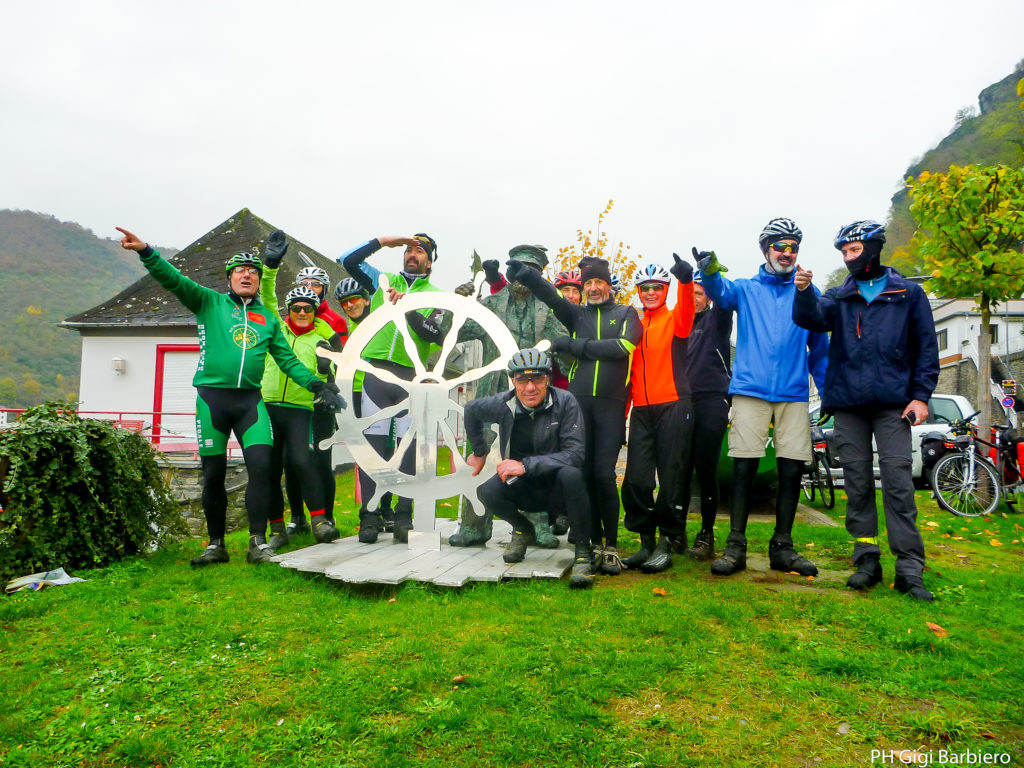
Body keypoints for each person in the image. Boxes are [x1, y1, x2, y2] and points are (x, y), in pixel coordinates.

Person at [116, 227, 343, 566]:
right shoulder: (209, 302)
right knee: (213, 473)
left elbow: (287, 360)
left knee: (262, 468)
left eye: (253, 271)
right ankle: (216, 545)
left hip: (250, 402)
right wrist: (146, 252)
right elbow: (174, 279)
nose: (247, 275)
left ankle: (258, 543)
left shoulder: (268, 319)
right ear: (229, 278)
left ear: (258, 280)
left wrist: (317, 385)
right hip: (213, 400)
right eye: (240, 271)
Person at [793, 220, 939, 600]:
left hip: (894, 406)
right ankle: (867, 559)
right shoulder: (839, 296)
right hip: (848, 406)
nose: (848, 257)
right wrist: (804, 292)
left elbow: (926, 348)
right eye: (844, 252)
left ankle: (909, 568)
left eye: (854, 250)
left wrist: (921, 396)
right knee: (857, 483)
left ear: (873, 249)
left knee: (898, 484)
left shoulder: (909, 293)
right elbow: (810, 318)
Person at [697, 217, 828, 577]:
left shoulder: (807, 291)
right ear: (765, 250)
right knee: (744, 465)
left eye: (793, 248)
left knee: (792, 467)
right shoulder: (745, 288)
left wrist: (826, 389)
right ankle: (736, 546)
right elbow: (720, 292)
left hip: (793, 391)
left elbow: (820, 346)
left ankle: (782, 547)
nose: (787, 253)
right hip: (750, 389)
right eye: (780, 246)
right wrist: (708, 271)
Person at [506, 255, 642, 575]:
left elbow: (623, 347)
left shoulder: (626, 313)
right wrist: (528, 275)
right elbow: (551, 296)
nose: (593, 288)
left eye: (599, 282)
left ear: (609, 285)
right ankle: (590, 541)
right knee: (581, 474)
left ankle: (611, 546)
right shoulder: (576, 314)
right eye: (588, 283)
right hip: (578, 406)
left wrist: (573, 345)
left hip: (610, 406)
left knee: (604, 475)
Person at [450, 245, 569, 548]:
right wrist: (458, 305)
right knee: (480, 458)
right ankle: (474, 525)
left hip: (532, 399)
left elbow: (567, 352)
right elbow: (451, 333)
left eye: (529, 269)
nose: (520, 276)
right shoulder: (489, 305)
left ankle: (536, 525)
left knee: (532, 459)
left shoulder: (548, 311)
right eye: (515, 268)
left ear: (538, 275)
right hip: (493, 394)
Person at [340, 233, 447, 543]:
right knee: (372, 450)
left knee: (408, 450)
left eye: (420, 250)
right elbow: (348, 261)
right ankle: (369, 517)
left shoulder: (437, 295)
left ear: (430, 261)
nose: (412, 254)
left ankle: (403, 517)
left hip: (410, 376)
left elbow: (435, 334)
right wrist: (384, 241)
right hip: (375, 373)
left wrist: (408, 308)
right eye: (408, 249)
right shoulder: (383, 281)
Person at [463, 349, 595, 589]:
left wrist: (525, 465)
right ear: (513, 381)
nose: (530, 387)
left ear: (548, 379)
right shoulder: (503, 404)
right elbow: (471, 409)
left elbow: (575, 454)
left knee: (573, 475)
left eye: (538, 379)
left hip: (558, 489)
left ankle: (584, 552)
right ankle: (523, 530)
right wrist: (479, 451)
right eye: (523, 380)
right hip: (524, 488)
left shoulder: (565, 402)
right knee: (488, 490)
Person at [261, 233, 344, 536]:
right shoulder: (276, 327)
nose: (301, 312)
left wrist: (328, 372)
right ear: (288, 309)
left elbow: (340, 364)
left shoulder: (325, 331)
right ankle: (283, 525)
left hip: (303, 407)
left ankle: (322, 519)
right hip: (269, 404)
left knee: (307, 462)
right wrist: (270, 266)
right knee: (273, 468)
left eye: (307, 308)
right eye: (296, 308)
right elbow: (267, 296)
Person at [620, 258, 695, 573]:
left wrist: (686, 281)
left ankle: (667, 541)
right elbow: (627, 373)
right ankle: (646, 543)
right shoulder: (635, 325)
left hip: (673, 405)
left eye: (657, 287)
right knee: (636, 478)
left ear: (666, 290)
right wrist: (623, 413)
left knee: (671, 476)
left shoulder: (675, 318)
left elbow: (688, 309)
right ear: (639, 291)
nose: (651, 292)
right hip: (642, 409)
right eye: (645, 288)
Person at [674, 268, 733, 561]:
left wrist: (711, 277)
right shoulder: (677, 324)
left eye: (700, 293)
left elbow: (724, 304)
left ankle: (706, 534)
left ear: (708, 297)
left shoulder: (716, 320)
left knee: (705, 469)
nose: (695, 298)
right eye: (691, 293)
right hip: (682, 401)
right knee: (681, 470)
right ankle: (677, 530)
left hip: (712, 399)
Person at [334, 276, 397, 533]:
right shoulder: (345, 330)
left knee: (389, 452)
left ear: (367, 300)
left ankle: (387, 507)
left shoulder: (381, 324)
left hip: (382, 392)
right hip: (355, 395)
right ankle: (369, 511)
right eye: (344, 302)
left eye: (354, 299)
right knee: (365, 454)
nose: (350, 305)